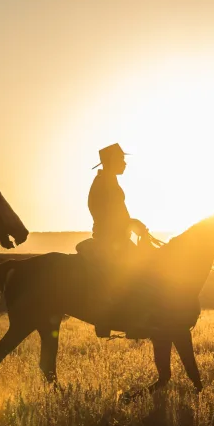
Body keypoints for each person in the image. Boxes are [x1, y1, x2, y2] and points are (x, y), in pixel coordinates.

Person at [84, 143, 151, 337]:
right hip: (109, 239)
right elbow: (109, 214)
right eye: (121, 159)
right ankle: (123, 319)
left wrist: (132, 223)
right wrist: (131, 223)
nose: (125, 163)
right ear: (111, 161)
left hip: (116, 237)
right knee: (134, 271)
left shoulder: (108, 181)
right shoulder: (104, 183)